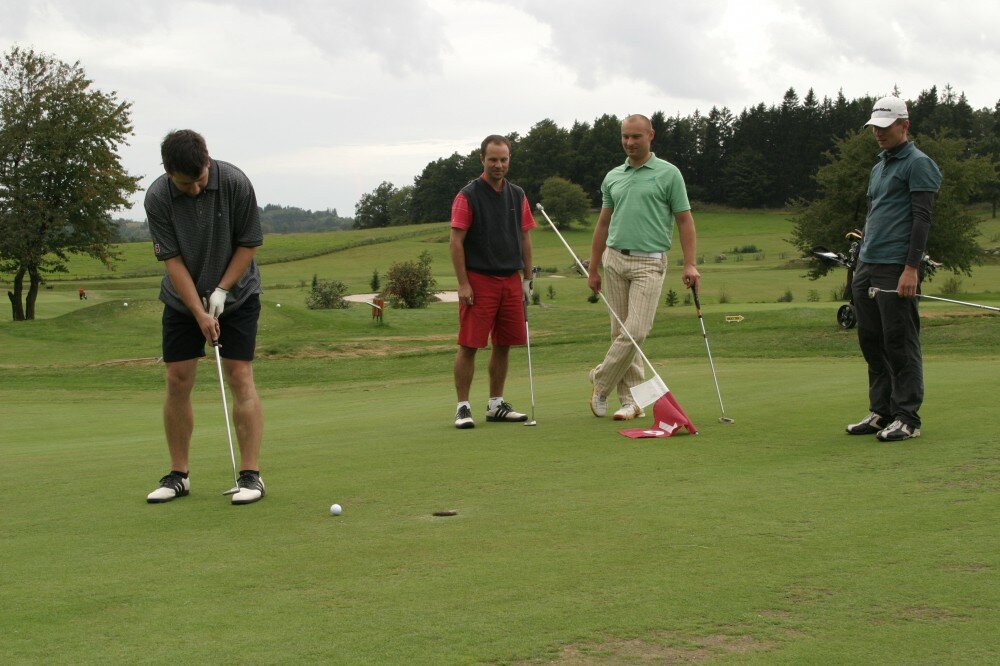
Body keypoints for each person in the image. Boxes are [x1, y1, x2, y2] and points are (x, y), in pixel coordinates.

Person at [143, 130, 267, 503]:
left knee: (239, 375)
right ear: (168, 172)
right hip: (182, 301)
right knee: (177, 379)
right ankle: (178, 475)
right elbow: (172, 261)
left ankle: (251, 476)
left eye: (199, 178)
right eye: (185, 183)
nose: (195, 188)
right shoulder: (158, 197)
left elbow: (249, 242)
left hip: (238, 295)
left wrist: (222, 290)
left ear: (207, 161)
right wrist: (199, 312)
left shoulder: (235, 183)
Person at [587, 114, 700, 420]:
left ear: (651, 135)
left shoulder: (669, 174)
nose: (629, 142)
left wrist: (690, 263)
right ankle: (631, 402)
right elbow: (603, 223)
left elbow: (684, 220)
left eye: (636, 136)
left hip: (649, 261)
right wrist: (593, 268)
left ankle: (601, 379)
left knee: (635, 330)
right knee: (620, 333)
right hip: (614, 260)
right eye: (625, 136)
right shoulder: (613, 176)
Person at [847, 96, 941, 442]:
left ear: (905, 125)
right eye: (875, 127)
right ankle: (882, 412)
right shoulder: (879, 165)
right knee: (871, 340)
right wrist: (860, 259)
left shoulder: (919, 164)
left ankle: (907, 418)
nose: (879, 133)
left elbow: (921, 219)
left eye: (886, 127)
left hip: (897, 266)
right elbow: (875, 213)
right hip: (868, 262)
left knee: (899, 342)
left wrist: (911, 268)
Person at [449, 134, 535, 429]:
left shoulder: (517, 194)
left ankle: (496, 404)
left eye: (503, 159)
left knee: (504, 343)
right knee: (469, 344)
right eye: (493, 160)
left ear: (509, 160)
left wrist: (527, 278)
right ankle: (463, 407)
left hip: (510, 279)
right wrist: (463, 283)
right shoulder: (468, 195)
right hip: (479, 279)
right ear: (482, 159)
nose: (499, 165)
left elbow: (525, 237)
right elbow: (456, 242)